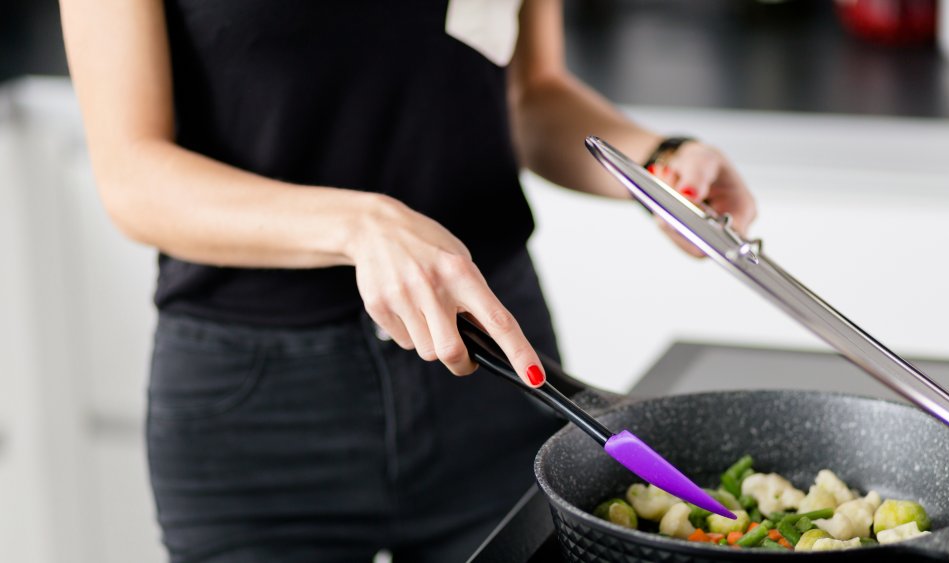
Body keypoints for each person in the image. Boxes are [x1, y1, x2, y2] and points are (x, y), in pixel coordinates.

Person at [60, 0, 757, 561]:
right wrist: (360, 224)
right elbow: (132, 173)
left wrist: (656, 165)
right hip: (256, 409)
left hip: (495, 367)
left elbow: (529, 92)